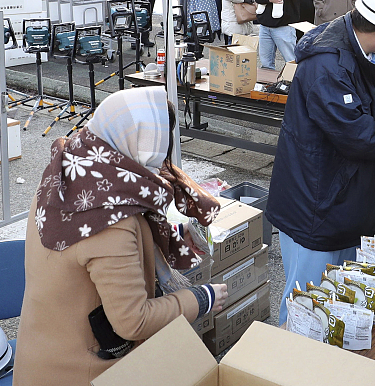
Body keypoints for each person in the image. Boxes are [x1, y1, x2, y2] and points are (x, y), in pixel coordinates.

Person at [13, 87, 228, 386]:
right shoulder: (110, 220)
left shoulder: (72, 171)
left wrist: (174, 234)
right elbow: (133, 320)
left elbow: (95, 254)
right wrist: (200, 299)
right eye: (154, 159)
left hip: (42, 354)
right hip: (83, 370)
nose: (159, 171)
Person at [266, 0, 375, 325]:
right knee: (305, 304)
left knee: (335, 300)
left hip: (341, 201)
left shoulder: (357, 49)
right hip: (315, 205)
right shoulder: (328, 65)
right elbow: (355, 133)